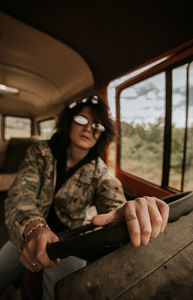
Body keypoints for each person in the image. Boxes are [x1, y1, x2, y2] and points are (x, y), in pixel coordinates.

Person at [0, 95, 169, 300]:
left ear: (101, 135)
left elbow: (113, 198)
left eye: (97, 126)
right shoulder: (40, 152)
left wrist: (128, 210)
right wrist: (34, 228)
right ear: (69, 121)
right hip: (29, 229)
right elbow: (20, 195)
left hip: (70, 239)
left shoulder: (99, 170)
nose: (89, 128)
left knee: (63, 290)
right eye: (82, 120)